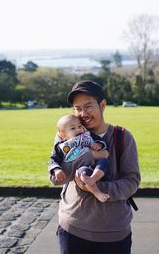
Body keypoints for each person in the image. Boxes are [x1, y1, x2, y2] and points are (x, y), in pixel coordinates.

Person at [48, 80, 140, 254]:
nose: (82, 114)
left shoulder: (122, 137)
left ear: (102, 105)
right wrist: (90, 155)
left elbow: (132, 181)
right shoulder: (66, 136)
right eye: (77, 108)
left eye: (88, 106)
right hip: (72, 228)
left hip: (113, 234)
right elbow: (55, 178)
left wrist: (96, 187)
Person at [51, 114, 110, 203]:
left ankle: (93, 179)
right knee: (83, 173)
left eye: (79, 126)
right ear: (63, 135)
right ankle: (97, 193)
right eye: (73, 128)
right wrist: (56, 170)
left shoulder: (87, 135)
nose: (78, 129)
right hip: (82, 170)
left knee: (104, 161)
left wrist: (98, 145)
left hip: (97, 168)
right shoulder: (61, 146)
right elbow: (54, 159)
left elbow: (101, 141)